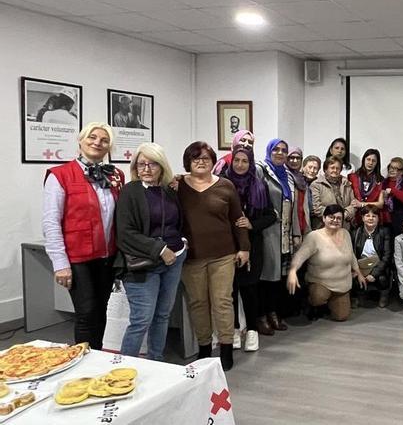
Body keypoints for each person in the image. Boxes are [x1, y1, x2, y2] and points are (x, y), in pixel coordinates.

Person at [42, 122, 124, 350]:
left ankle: (96, 358)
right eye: (92, 137)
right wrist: (60, 264)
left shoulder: (116, 175)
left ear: (110, 147)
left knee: (100, 311)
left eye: (104, 140)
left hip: (107, 257)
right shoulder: (60, 175)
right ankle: (84, 363)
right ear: (81, 141)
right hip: (78, 259)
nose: (97, 142)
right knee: (86, 313)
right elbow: (51, 222)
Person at [177, 141, 250, 371]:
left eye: (206, 158)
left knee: (222, 302)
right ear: (188, 162)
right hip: (191, 257)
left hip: (223, 256)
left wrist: (244, 247)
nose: (200, 161)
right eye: (195, 158)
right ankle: (205, 347)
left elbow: (238, 219)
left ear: (213, 162)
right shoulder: (177, 186)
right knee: (198, 303)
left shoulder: (226, 186)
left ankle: (226, 348)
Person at [115, 143, 186, 361]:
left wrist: (181, 244)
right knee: (141, 320)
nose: (146, 168)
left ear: (162, 166)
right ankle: (123, 369)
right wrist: (160, 249)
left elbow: (176, 222)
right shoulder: (130, 192)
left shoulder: (168, 190)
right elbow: (125, 233)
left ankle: (156, 360)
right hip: (144, 265)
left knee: (162, 315)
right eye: (141, 163)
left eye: (152, 164)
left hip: (174, 260)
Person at [225, 147, 276, 351]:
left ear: (251, 163)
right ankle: (235, 329)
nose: (239, 164)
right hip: (228, 244)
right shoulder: (222, 184)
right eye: (236, 160)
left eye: (244, 161)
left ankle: (252, 331)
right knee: (231, 289)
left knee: (249, 288)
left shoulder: (259, 185)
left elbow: (271, 215)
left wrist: (252, 223)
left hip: (253, 245)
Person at [287, 205, 367, 322]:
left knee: (341, 317)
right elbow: (300, 255)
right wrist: (293, 271)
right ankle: (313, 303)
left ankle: (329, 304)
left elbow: (351, 256)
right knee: (318, 297)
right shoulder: (314, 236)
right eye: (331, 217)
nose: (335, 220)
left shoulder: (346, 234)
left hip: (342, 284)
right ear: (324, 218)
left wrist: (358, 272)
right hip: (321, 282)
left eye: (339, 218)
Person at [255, 139, 302, 332]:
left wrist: (296, 233)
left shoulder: (289, 176)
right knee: (265, 276)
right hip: (268, 232)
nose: (281, 153)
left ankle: (273, 312)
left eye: (284, 150)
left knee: (278, 277)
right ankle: (261, 316)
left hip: (285, 234)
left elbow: (293, 207)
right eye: (276, 150)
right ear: (269, 151)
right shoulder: (261, 171)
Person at [351, 205, 393, 308]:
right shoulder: (355, 232)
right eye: (367, 215)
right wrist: (358, 272)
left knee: (382, 278)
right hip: (360, 267)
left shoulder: (384, 232)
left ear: (378, 219)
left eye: (374, 216)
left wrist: (374, 274)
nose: (370, 218)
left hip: (378, 266)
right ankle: (360, 295)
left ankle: (384, 295)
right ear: (362, 218)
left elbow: (387, 256)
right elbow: (351, 255)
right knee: (353, 278)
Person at [311, 156, 356, 230]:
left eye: (338, 168)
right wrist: (334, 217)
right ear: (325, 169)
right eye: (332, 168)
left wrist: (343, 215)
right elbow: (317, 208)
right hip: (323, 228)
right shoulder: (316, 185)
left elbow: (353, 204)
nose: (335, 170)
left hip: (344, 227)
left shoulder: (346, 183)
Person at [348, 148, 385, 226]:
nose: (370, 163)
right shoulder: (352, 177)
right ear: (364, 160)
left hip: (372, 219)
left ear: (377, 163)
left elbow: (380, 204)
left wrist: (361, 204)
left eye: (373, 161)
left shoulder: (381, 180)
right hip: (354, 218)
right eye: (368, 159)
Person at [382, 156, 403, 236]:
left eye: (395, 168)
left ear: (401, 172)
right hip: (384, 221)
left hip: (399, 223)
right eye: (391, 167)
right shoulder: (383, 182)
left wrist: (393, 191)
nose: (392, 170)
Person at [287, 147, 312, 238]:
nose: (295, 160)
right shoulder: (285, 177)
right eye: (291, 157)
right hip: (290, 226)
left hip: (302, 223)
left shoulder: (302, 179)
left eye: (298, 158)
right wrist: (295, 233)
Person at [302, 155, 322, 230]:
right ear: (303, 167)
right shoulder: (298, 181)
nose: (312, 171)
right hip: (302, 217)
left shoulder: (320, 183)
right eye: (309, 167)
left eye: (315, 168)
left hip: (317, 219)